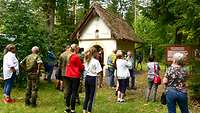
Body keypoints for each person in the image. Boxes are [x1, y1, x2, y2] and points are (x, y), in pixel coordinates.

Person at [64, 44, 84, 113]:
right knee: (74, 92)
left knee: (68, 92)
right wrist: (83, 66)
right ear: (75, 49)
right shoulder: (76, 56)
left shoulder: (67, 55)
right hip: (75, 75)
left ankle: (67, 108)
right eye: (78, 48)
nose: (78, 49)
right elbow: (80, 67)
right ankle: (72, 110)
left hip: (68, 75)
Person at [83, 47, 102, 113]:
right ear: (95, 53)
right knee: (92, 96)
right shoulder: (96, 61)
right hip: (93, 78)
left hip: (87, 78)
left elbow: (84, 69)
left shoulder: (86, 60)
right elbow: (99, 72)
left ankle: (84, 110)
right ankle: (89, 111)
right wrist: (99, 83)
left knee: (86, 95)